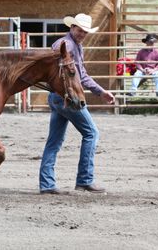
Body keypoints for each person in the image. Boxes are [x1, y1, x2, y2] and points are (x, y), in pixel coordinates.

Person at [39, 13, 115, 195]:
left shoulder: (73, 45)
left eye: (85, 32)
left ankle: (47, 184)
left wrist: (100, 91)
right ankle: (84, 180)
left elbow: (82, 75)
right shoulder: (66, 46)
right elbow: (66, 74)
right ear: (72, 28)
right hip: (68, 97)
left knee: (54, 141)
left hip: (58, 96)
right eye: (80, 30)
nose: (82, 34)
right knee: (91, 133)